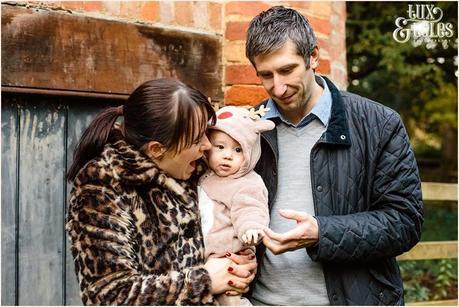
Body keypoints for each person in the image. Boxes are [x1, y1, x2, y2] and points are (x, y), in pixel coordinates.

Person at [243, 6, 424, 305]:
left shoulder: (380, 124)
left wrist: (322, 233)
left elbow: (405, 222)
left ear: (313, 56)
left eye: (288, 70)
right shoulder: (246, 129)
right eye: (266, 75)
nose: (278, 87)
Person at [65, 79, 257, 305]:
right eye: (197, 140)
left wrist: (238, 263)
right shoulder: (101, 186)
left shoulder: (199, 169)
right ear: (156, 149)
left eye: (206, 133)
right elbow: (109, 295)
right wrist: (204, 282)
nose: (207, 145)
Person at [198, 106, 274, 306]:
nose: (227, 155)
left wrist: (251, 228)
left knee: (231, 301)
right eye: (220, 147)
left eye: (238, 150)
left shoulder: (247, 183)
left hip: (231, 257)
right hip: (204, 260)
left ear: (250, 152)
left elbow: (250, 209)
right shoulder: (203, 175)